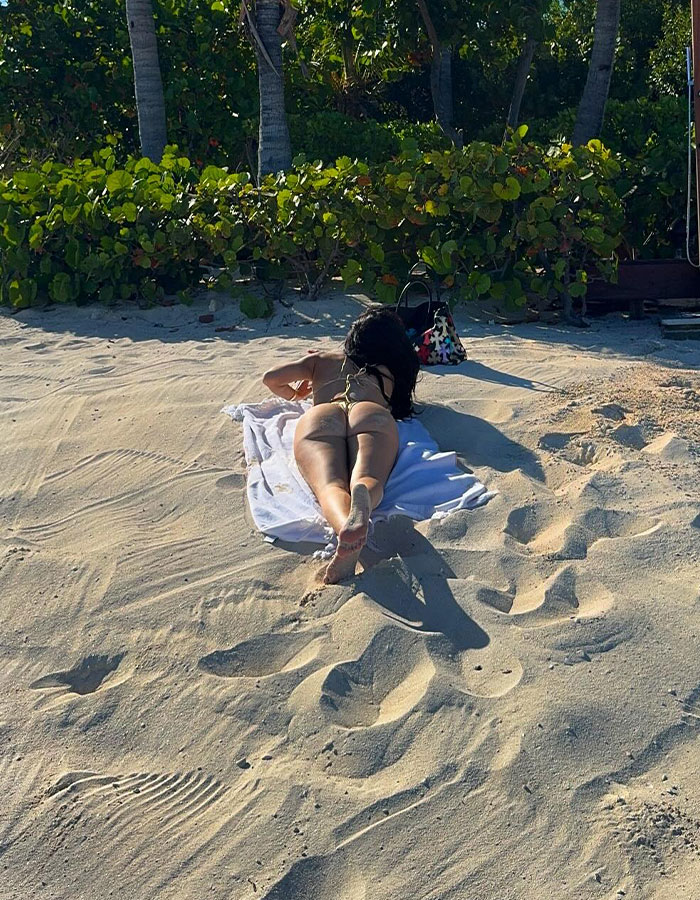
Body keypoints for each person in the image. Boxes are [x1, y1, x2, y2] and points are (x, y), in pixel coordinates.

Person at [262, 307, 420, 583]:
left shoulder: (321, 360)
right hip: (369, 411)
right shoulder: (387, 372)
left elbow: (270, 378)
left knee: (329, 487)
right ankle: (362, 499)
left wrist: (296, 393)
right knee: (368, 477)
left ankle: (345, 529)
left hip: (323, 415)